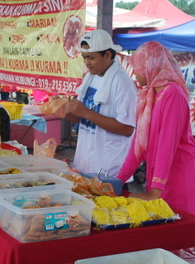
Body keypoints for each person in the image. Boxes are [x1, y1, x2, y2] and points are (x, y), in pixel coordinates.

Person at [116, 42, 195, 217]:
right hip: (159, 179)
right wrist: (118, 181)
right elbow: (138, 146)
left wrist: (155, 191)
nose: (135, 73)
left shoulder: (173, 94)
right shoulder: (150, 96)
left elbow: (167, 143)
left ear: (150, 67)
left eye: (137, 67)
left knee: (182, 230)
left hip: (180, 180)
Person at [55, 29, 137, 178]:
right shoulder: (90, 77)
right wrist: (63, 110)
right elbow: (83, 119)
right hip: (84, 164)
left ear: (107, 55)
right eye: (84, 57)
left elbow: (127, 129)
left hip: (108, 170)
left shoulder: (122, 83)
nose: (86, 62)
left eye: (91, 58)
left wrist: (87, 113)